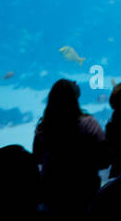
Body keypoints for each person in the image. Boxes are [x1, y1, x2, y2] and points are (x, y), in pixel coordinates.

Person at [32, 79, 109, 212]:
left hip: (53, 195)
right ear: (74, 98)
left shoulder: (43, 129)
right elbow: (104, 159)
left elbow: (37, 158)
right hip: (85, 193)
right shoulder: (89, 124)